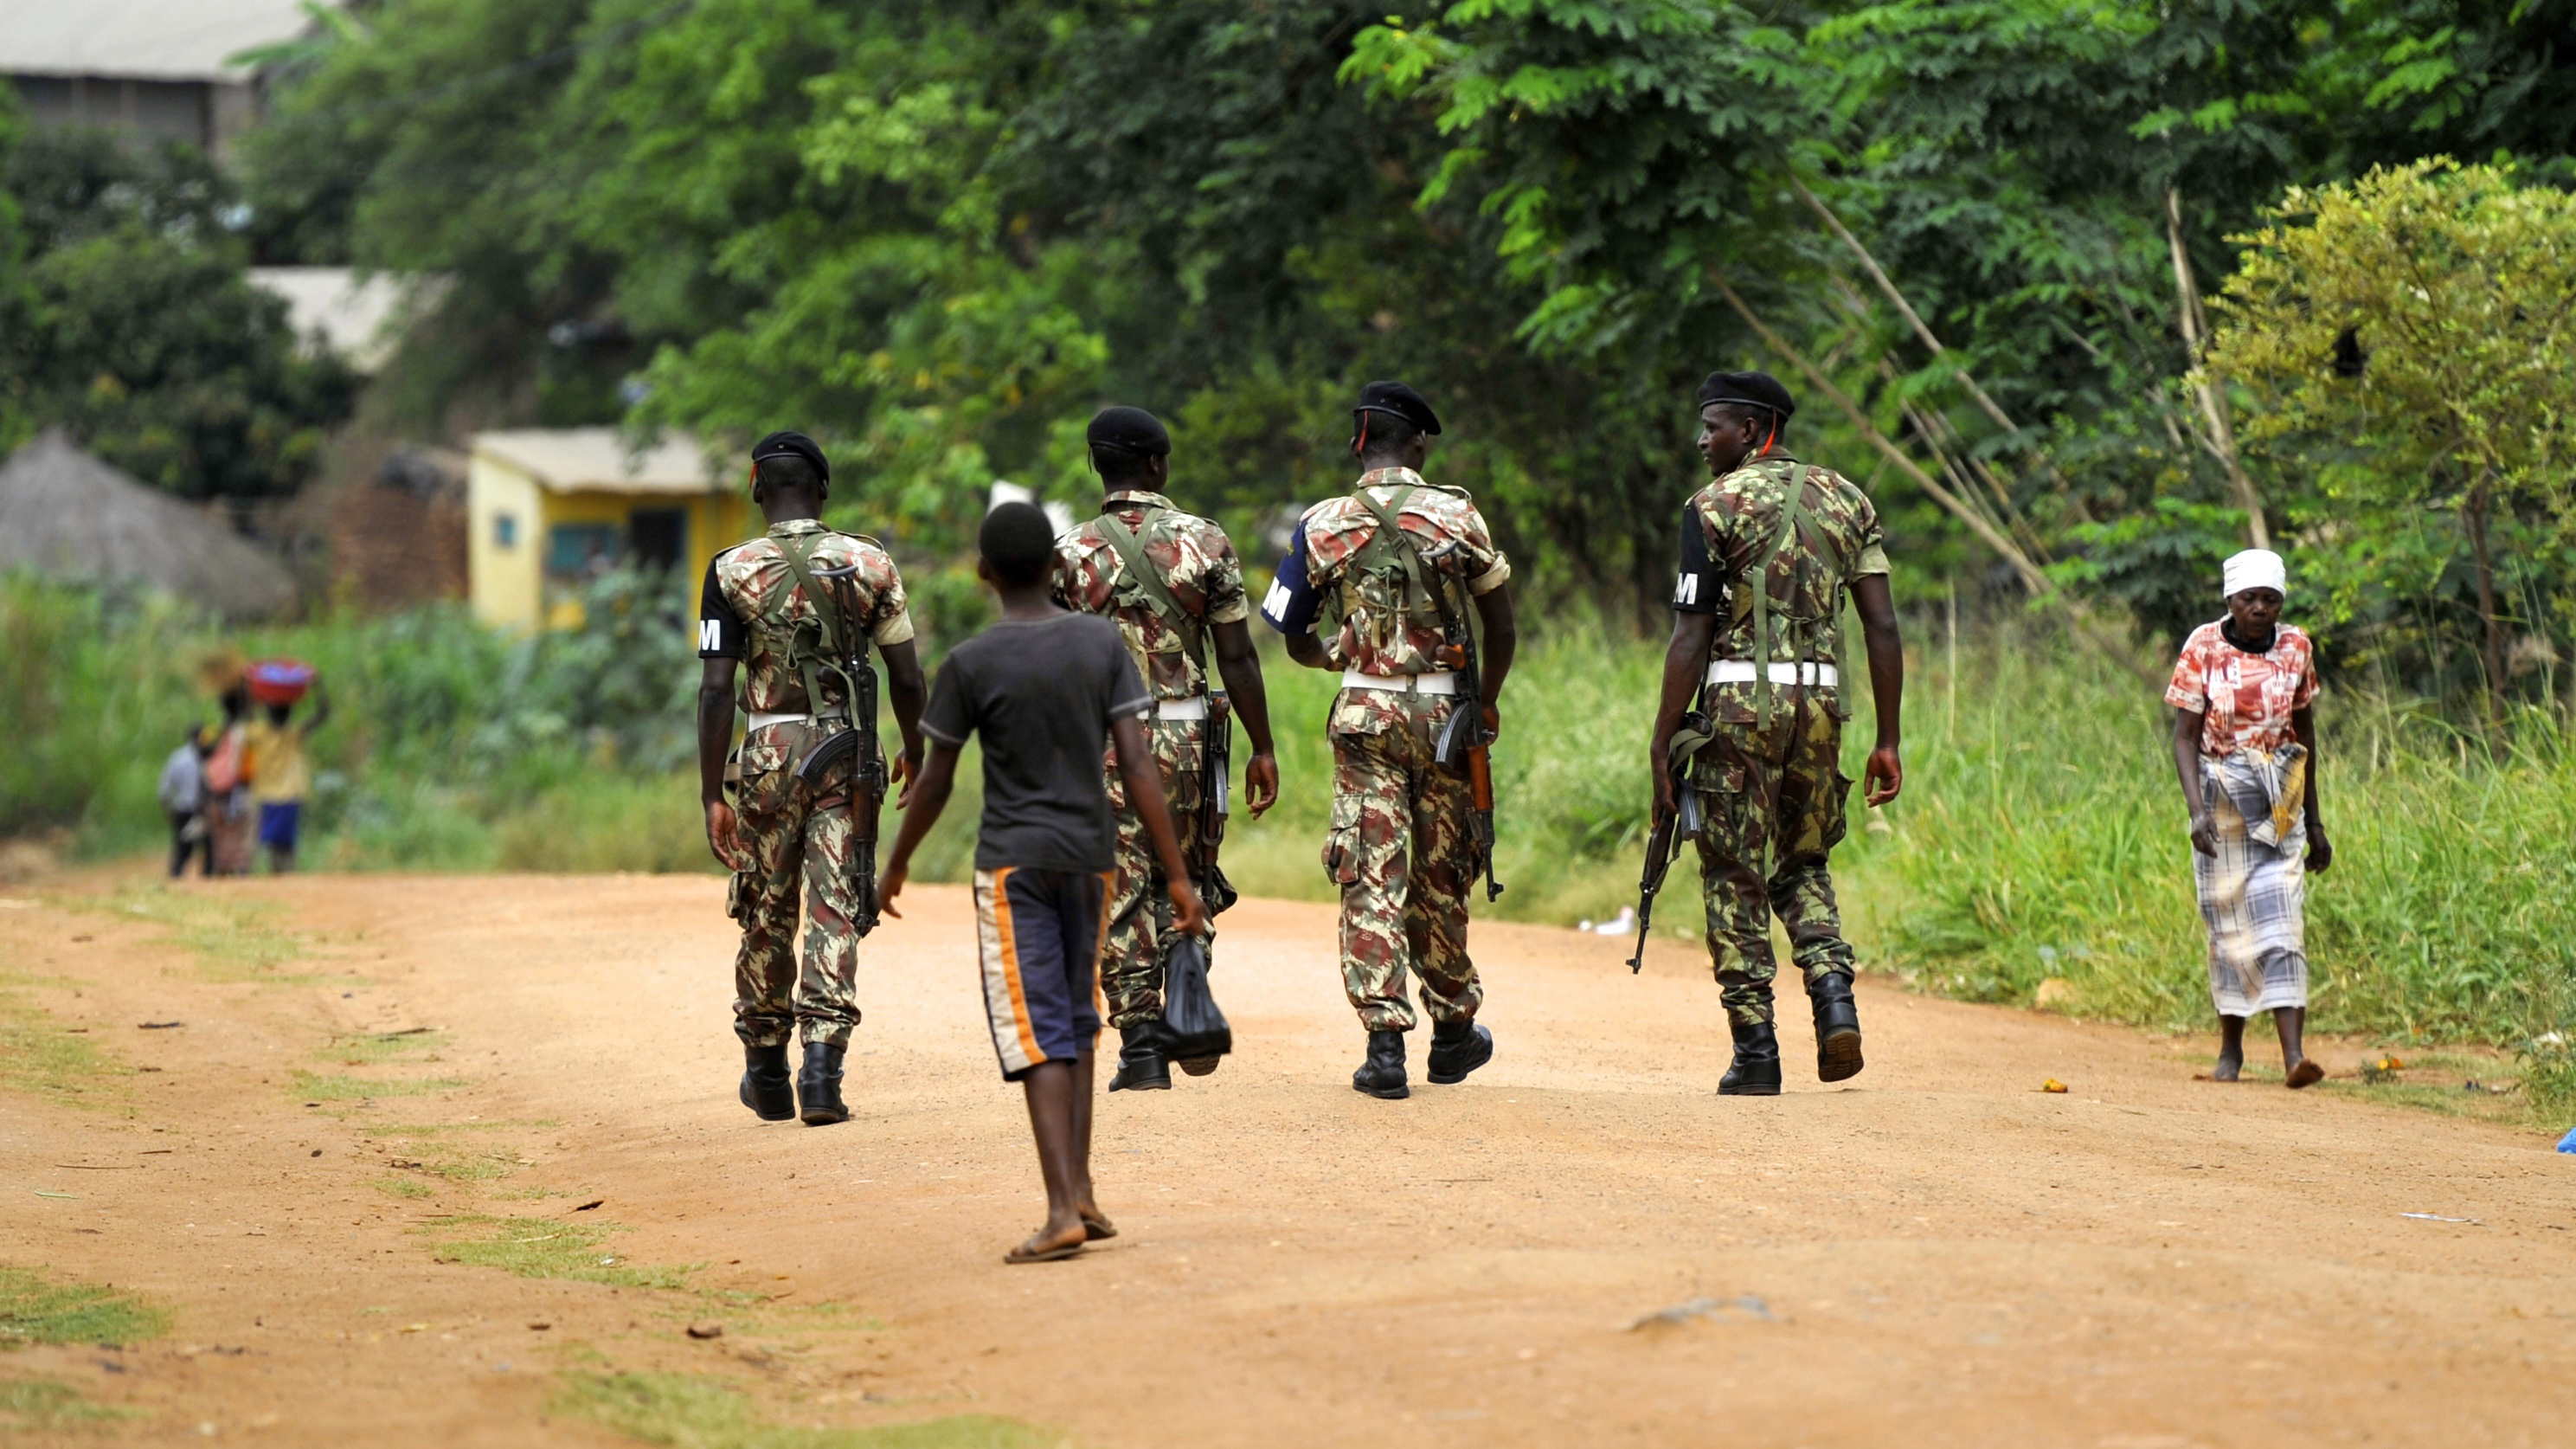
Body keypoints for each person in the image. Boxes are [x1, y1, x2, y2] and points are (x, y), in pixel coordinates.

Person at [877, 501, 1206, 1264]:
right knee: (1079, 1020)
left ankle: (1061, 1207)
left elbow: (933, 782)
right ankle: (1082, 1192)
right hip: (1091, 861)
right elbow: (1136, 763)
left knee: (1037, 1030)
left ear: (983, 572)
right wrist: (1178, 874)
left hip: (1014, 865)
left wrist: (895, 863)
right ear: (1059, 568)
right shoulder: (1098, 644)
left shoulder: (970, 662)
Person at [1648, 370, 1905, 1096]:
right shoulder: (1849, 500)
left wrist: (1662, 742)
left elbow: (1689, 636)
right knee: (1804, 858)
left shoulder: (1710, 507)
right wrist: (1887, 737)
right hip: (1822, 712)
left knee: (1732, 870)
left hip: (1737, 712)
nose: (1702, 441)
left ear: (1754, 428)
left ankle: (1756, 1051)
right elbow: (1881, 624)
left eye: (1714, 427)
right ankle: (1832, 997)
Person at [1260, 381, 1516, 1100]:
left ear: (1358, 442)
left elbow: (1287, 625)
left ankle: (1382, 1049)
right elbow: (1501, 624)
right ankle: (1453, 1030)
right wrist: (1486, 702)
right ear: (1419, 446)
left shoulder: (1322, 522)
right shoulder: (1456, 514)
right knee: (1442, 872)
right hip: (1444, 719)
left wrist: (1333, 656)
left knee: (1372, 870)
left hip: (1365, 715)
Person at [697, 430, 928, 1127]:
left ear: (757, 489)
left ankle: (767, 1070)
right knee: (835, 906)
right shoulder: (869, 562)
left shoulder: (729, 570)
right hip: (847, 754)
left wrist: (712, 793)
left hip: (767, 755)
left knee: (766, 908)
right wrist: (914, 748)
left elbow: (714, 688)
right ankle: (822, 1075)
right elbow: (908, 675)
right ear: (822, 491)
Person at [1051, 405, 1281, 1092]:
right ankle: (1187, 981)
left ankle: (1143, 1047)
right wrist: (1262, 747)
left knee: (1117, 884)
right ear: (1156, 464)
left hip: (1101, 740)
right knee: (1188, 869)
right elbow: (1237, 656)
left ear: (1097, 466)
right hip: (1187, 733)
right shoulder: (1204, 542)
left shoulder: (1066, 553)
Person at [2166, 548, 2330, 1088]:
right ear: (2230, 601)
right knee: (2228, 925)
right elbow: (2185, 738)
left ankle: (2293, 1058)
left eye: (2270, 599)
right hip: (2221, 800)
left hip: (2281, 799)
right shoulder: (2203, 647)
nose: (2260, 609)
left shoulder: (2297, 647)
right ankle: (2231, 1050)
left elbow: (2304, 735)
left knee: (2284, 922)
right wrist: (2195, 812)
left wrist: (2316, 823)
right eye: (2249, 599)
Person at [243, 678, 329, 874]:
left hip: (266, 795)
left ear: (268, 713)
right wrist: (318, 687)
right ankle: (285, 878)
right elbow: (322, 715)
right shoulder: (294, 734)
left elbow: (247, 714)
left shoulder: (259, 733)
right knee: (286, 845)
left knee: (268, 843)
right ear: (289, 714)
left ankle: (268, 877)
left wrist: (248, 686)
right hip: (290, 795)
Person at [206, 685, 256, 877]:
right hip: (240, 787)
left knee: (222, 833)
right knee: (243, 831)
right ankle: (242, 869)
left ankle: (224, 870)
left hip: (217, 789)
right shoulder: (246, 733)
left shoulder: (215, 733)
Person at [158, 726, 210, 878]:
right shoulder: (207, 756)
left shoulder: (178, 757)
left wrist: (167, 810)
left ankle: (176, 880)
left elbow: (164, 789)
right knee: (207, 848)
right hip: (201, 810)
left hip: (183, 810)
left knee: (183, 849)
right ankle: (208, 880)